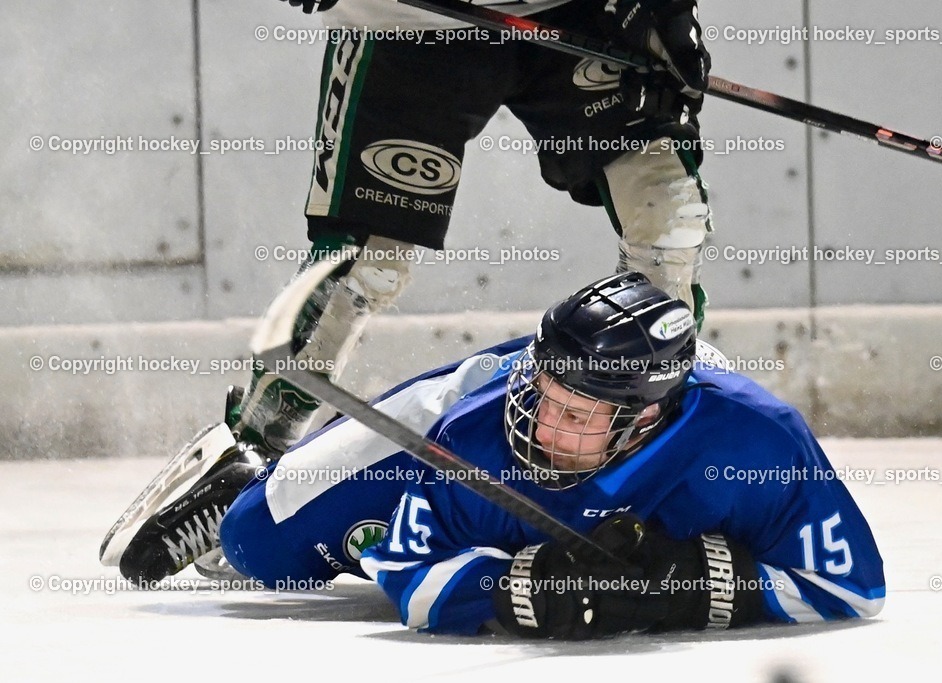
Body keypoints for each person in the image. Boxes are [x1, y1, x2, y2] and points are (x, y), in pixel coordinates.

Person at [100, 0, 716, 579]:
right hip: (412, 16)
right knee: (365, 264)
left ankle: (660, 450)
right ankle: (254, 451)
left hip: (581, 14)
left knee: (669, 220)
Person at [120, 272, 886, 640]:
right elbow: (411, 573)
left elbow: (852, 587)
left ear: (643, 417)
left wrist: (688, 587)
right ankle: (243, 475)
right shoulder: (480, 430)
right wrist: (512, 590)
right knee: (257, 545)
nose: (541, 421)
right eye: (543, 392)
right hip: (454, 400)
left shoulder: (760, 444)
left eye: (574, 412)